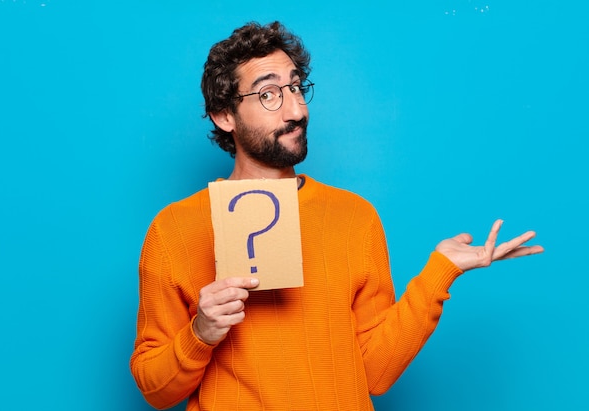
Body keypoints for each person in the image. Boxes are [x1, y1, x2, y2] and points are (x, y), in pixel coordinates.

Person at [130, 21, 543, 410]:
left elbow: (375, 374)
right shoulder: (174, 230)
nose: (296, 110)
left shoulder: (354, 217)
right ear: (224, 116)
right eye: (270, 94)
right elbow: (155, 389)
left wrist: (441, 272)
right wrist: (200, 333)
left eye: (296, 87)